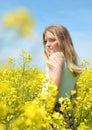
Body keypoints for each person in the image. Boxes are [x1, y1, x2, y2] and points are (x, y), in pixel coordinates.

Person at [43, 24, 83, 99]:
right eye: (46, 41)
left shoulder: (56, 58)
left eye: (52, 40)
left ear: (64, 41)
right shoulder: (70, 62)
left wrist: (46, 109)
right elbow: (73, 93)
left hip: (52, 108)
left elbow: (53, 93)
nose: (47, 44)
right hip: (65, 108)